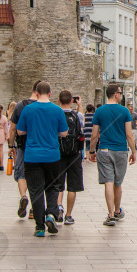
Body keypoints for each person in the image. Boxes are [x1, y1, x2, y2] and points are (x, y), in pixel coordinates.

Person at [16, 81, 68, 237]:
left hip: (32, 156)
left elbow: (19, 131)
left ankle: (39, 227)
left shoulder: (28, 109)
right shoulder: (57, 110)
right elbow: (64, 133)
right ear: (50, 94)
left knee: (36, 190)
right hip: (52, 155)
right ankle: (51, 214)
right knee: (52, 187)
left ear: (36, 93)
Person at [89, 84, 136, 227]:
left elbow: (94, 135)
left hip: (104, 149)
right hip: (121, 150)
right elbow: (129, 134)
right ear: (115, 94)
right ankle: (117, 210)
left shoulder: (100, 111)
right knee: (117, 183)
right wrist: (133, 151)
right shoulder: (124, 111)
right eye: (120, 93)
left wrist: (91, 151)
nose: (121, 95)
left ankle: (110, 215)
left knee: (108, 182)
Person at [8, 81, 40, 220]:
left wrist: (11, 145)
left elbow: (13, 128)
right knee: (37, 176)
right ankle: (34, 208)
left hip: (22, 145)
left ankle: (23, 196)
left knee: (21, 173)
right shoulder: (44, 106)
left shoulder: (20, 105)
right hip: (39, 145)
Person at [55, 90, 84, 225]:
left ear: (59, 101)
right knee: (72, 186)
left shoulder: (56, 114)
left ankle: (59, 206)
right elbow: (81, 127)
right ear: (72, 101)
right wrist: (80, 106)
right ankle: (68, 215)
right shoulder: (77, 115)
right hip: (74, 154)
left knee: (58, 184)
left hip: (59, 154)